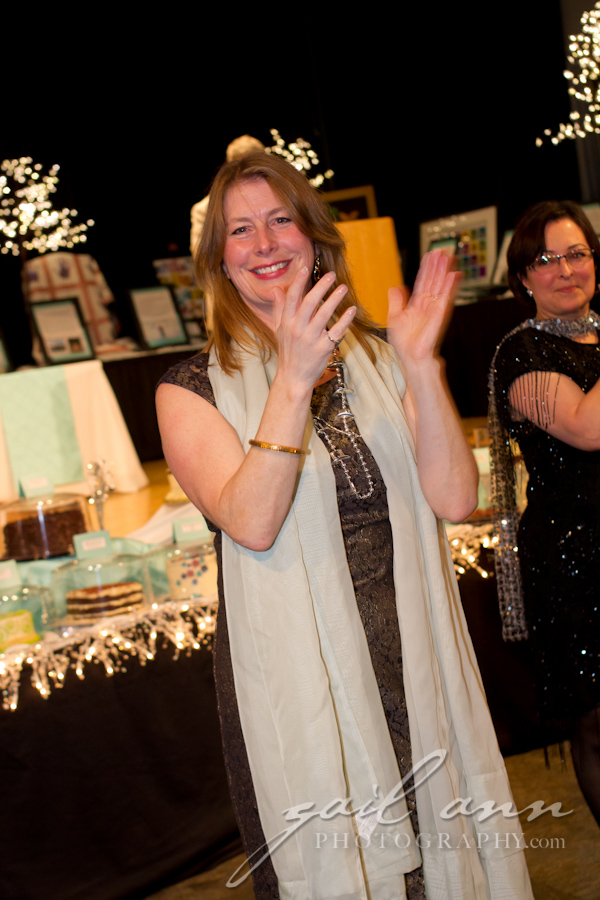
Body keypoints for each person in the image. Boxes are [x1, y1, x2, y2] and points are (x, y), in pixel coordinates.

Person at [157, 153, 532, 900]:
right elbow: (252, 522)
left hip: (413, 661)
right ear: (220, 261)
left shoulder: (382, 357)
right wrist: (293, 378)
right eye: (240, 230)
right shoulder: (189, 389)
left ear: (315, 237)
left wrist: (421, 365)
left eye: (280, 220)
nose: (265, 243)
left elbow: (457, 498)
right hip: (303, 685)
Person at [489, 199, 600, 827]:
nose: (565, 270)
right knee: (598, 722)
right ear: (522, 278)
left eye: (577, 254)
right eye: (546, 259)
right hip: (576, 560)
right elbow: (586, 427)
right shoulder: (521, 354)